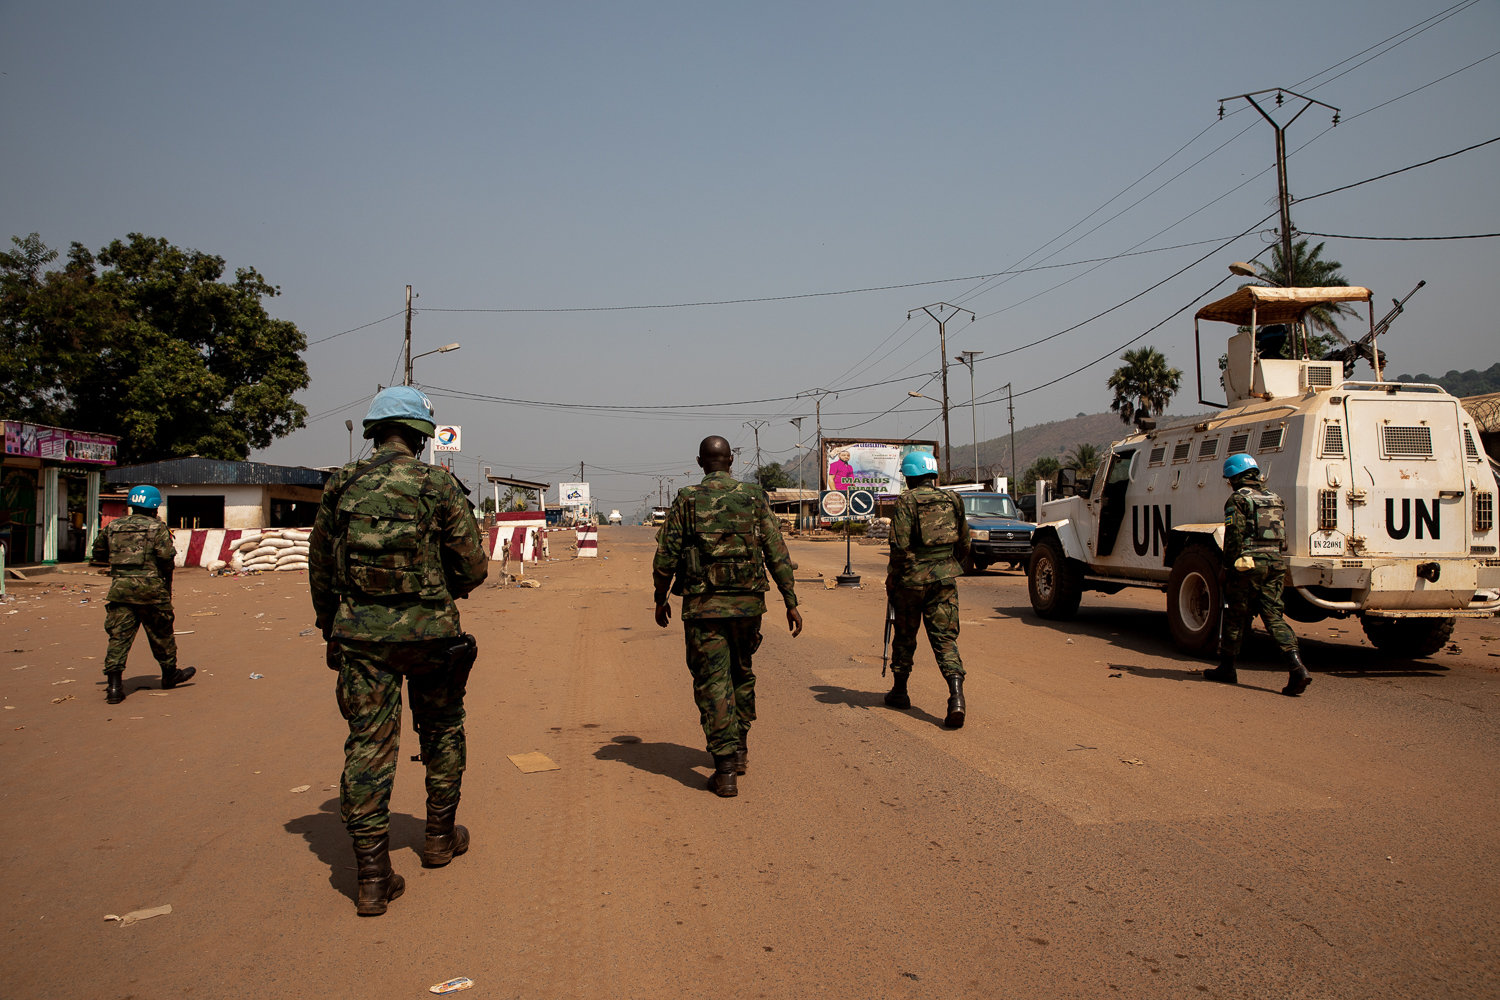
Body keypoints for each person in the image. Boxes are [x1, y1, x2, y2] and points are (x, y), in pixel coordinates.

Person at [308, 387, 489, 917]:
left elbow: (320, 565)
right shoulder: (438, 484)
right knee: (443, 729)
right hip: (432, 637)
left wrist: (331, 627)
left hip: (362, 639)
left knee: (369, 745)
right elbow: (472, 568)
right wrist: (443, 592)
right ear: (421, 435)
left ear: (374, 432)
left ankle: (371, 875)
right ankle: (439, 837)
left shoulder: (342, 484)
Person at [652, 435, 802, 798]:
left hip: (704, 608)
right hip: (748, 606)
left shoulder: (687, 498)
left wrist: (660, 597)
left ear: (700, 462)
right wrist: (790, 600)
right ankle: (740, 750)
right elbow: (776, 550)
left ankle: (725, 771)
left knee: (713, 681)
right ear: (731, 460)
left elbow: (666, 555)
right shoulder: (754, 496)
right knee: (741, 673)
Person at [1204, 454, 1311, 696]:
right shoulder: (1274, 498)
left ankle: (1227, 668)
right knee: (1273, 616)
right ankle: (1297, 667)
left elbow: (1234, 536)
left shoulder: (1238, 499)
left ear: (1234, 477)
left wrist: (1226, 567)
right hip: (1275, 563)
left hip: (1248, 565)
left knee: (1236, 616)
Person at [883, 451, 971, 728]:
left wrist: (892, 577)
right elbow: (965, 543)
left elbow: (899, 547)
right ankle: (956, 697)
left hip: (911, 582)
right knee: (945, 639)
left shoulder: (906, 501)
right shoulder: (953, 499)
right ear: (932, 474)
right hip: (944, 580)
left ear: (910, 476)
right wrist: (947, 565)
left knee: (905, 637)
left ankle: (900, 692)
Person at [89, 485, 196, 705]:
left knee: (119, 637)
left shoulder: (113, 526)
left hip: (120, 590)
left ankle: (114, 687)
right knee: (161, 634)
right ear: (154, 507)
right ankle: (170, 674)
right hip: (151, 591)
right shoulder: (157, 528)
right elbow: (166, 559)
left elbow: (97, 553)